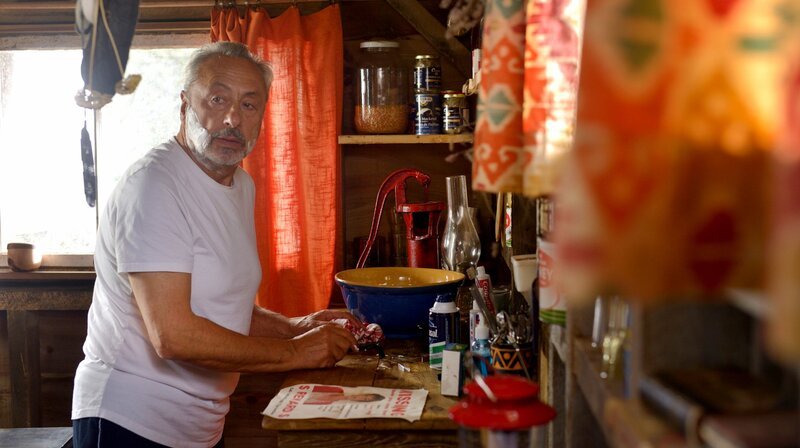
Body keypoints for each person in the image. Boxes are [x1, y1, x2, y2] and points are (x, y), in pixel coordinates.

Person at [71, 41, 360, 448]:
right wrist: (297, 352)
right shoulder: (154, 186)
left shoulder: (240, 184)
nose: (232, 119)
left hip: (200, 427)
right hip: (128, 422)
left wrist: (296, 326)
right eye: (218, 99)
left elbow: (220, 305)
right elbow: (173, 335)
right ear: (185, 104)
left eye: (248, 105)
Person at [303, 385, 386, 405]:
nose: (361, 397)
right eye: (365, 396)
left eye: (365, 399)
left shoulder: (334, 404)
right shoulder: (337, 389)